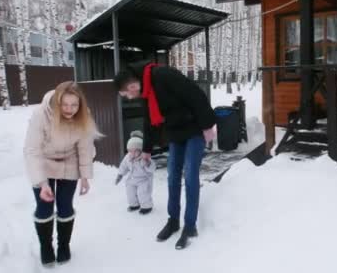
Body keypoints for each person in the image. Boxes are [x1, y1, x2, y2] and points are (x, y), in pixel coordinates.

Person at [113, 62, 216, 250]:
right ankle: (173, 220)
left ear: (132, 86)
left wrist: (207, 125)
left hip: (194, 129)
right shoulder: (145, 92)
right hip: (176, 133)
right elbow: (148, 120)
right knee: (172, 176)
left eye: (126, 94)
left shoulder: (163, 76)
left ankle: (190, 225)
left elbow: (195, 94)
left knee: (191, 175)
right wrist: (146, 149)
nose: (128, 98)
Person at [23, 81, 99, 266]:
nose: (69, 109)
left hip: (69, 163)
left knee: (65, 207)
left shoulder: (83, 115)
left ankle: (63, 245)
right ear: (57, 102)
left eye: (74, 105)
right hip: (44, 162)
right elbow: (32, 150)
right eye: (64, 104)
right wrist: (41, 183)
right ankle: (46, 246)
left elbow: (85, 148)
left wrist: (85, 177)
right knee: (44, 208)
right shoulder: (41, 114)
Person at [115, 130, 155, 215]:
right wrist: (120, 174)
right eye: (130, 150)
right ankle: (134, 204)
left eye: (135, 151)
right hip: (132, 179)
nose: (132, 153)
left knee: (142, 193)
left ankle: (146, 206)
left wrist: (148, 163)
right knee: (130, 191)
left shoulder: (144, 158)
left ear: (140, 150)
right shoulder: (127, 157)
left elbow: (152, 168)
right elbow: (123, 166)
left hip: (143, 180)